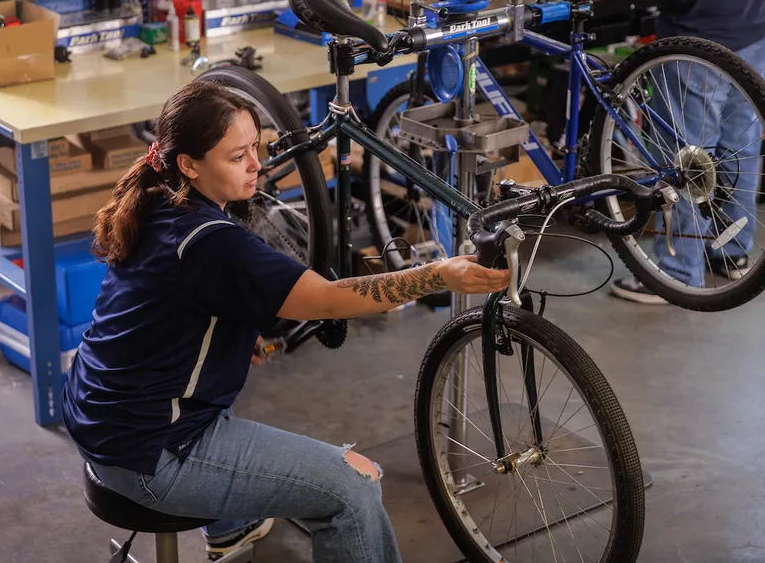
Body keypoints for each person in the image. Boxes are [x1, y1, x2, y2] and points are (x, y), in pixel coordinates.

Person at [61, 80, 510, 562]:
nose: (256, 164)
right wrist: (438, 274)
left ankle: (230, 528)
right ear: (189, 164)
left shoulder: (155, 195)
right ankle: (225, 511)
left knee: (221, 386)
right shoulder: (213, 243)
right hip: (151, 457)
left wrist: (231, 338)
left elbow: (168, 309)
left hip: (100, 419)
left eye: (256, 147)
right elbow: (329, 300)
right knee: (353, 486)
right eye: (237, 156)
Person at [610, 0, 765, 304]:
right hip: (756, 33)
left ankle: (678, 272)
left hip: (696, 43)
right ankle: (732, 253)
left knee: (685, 158)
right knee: (739, 148)